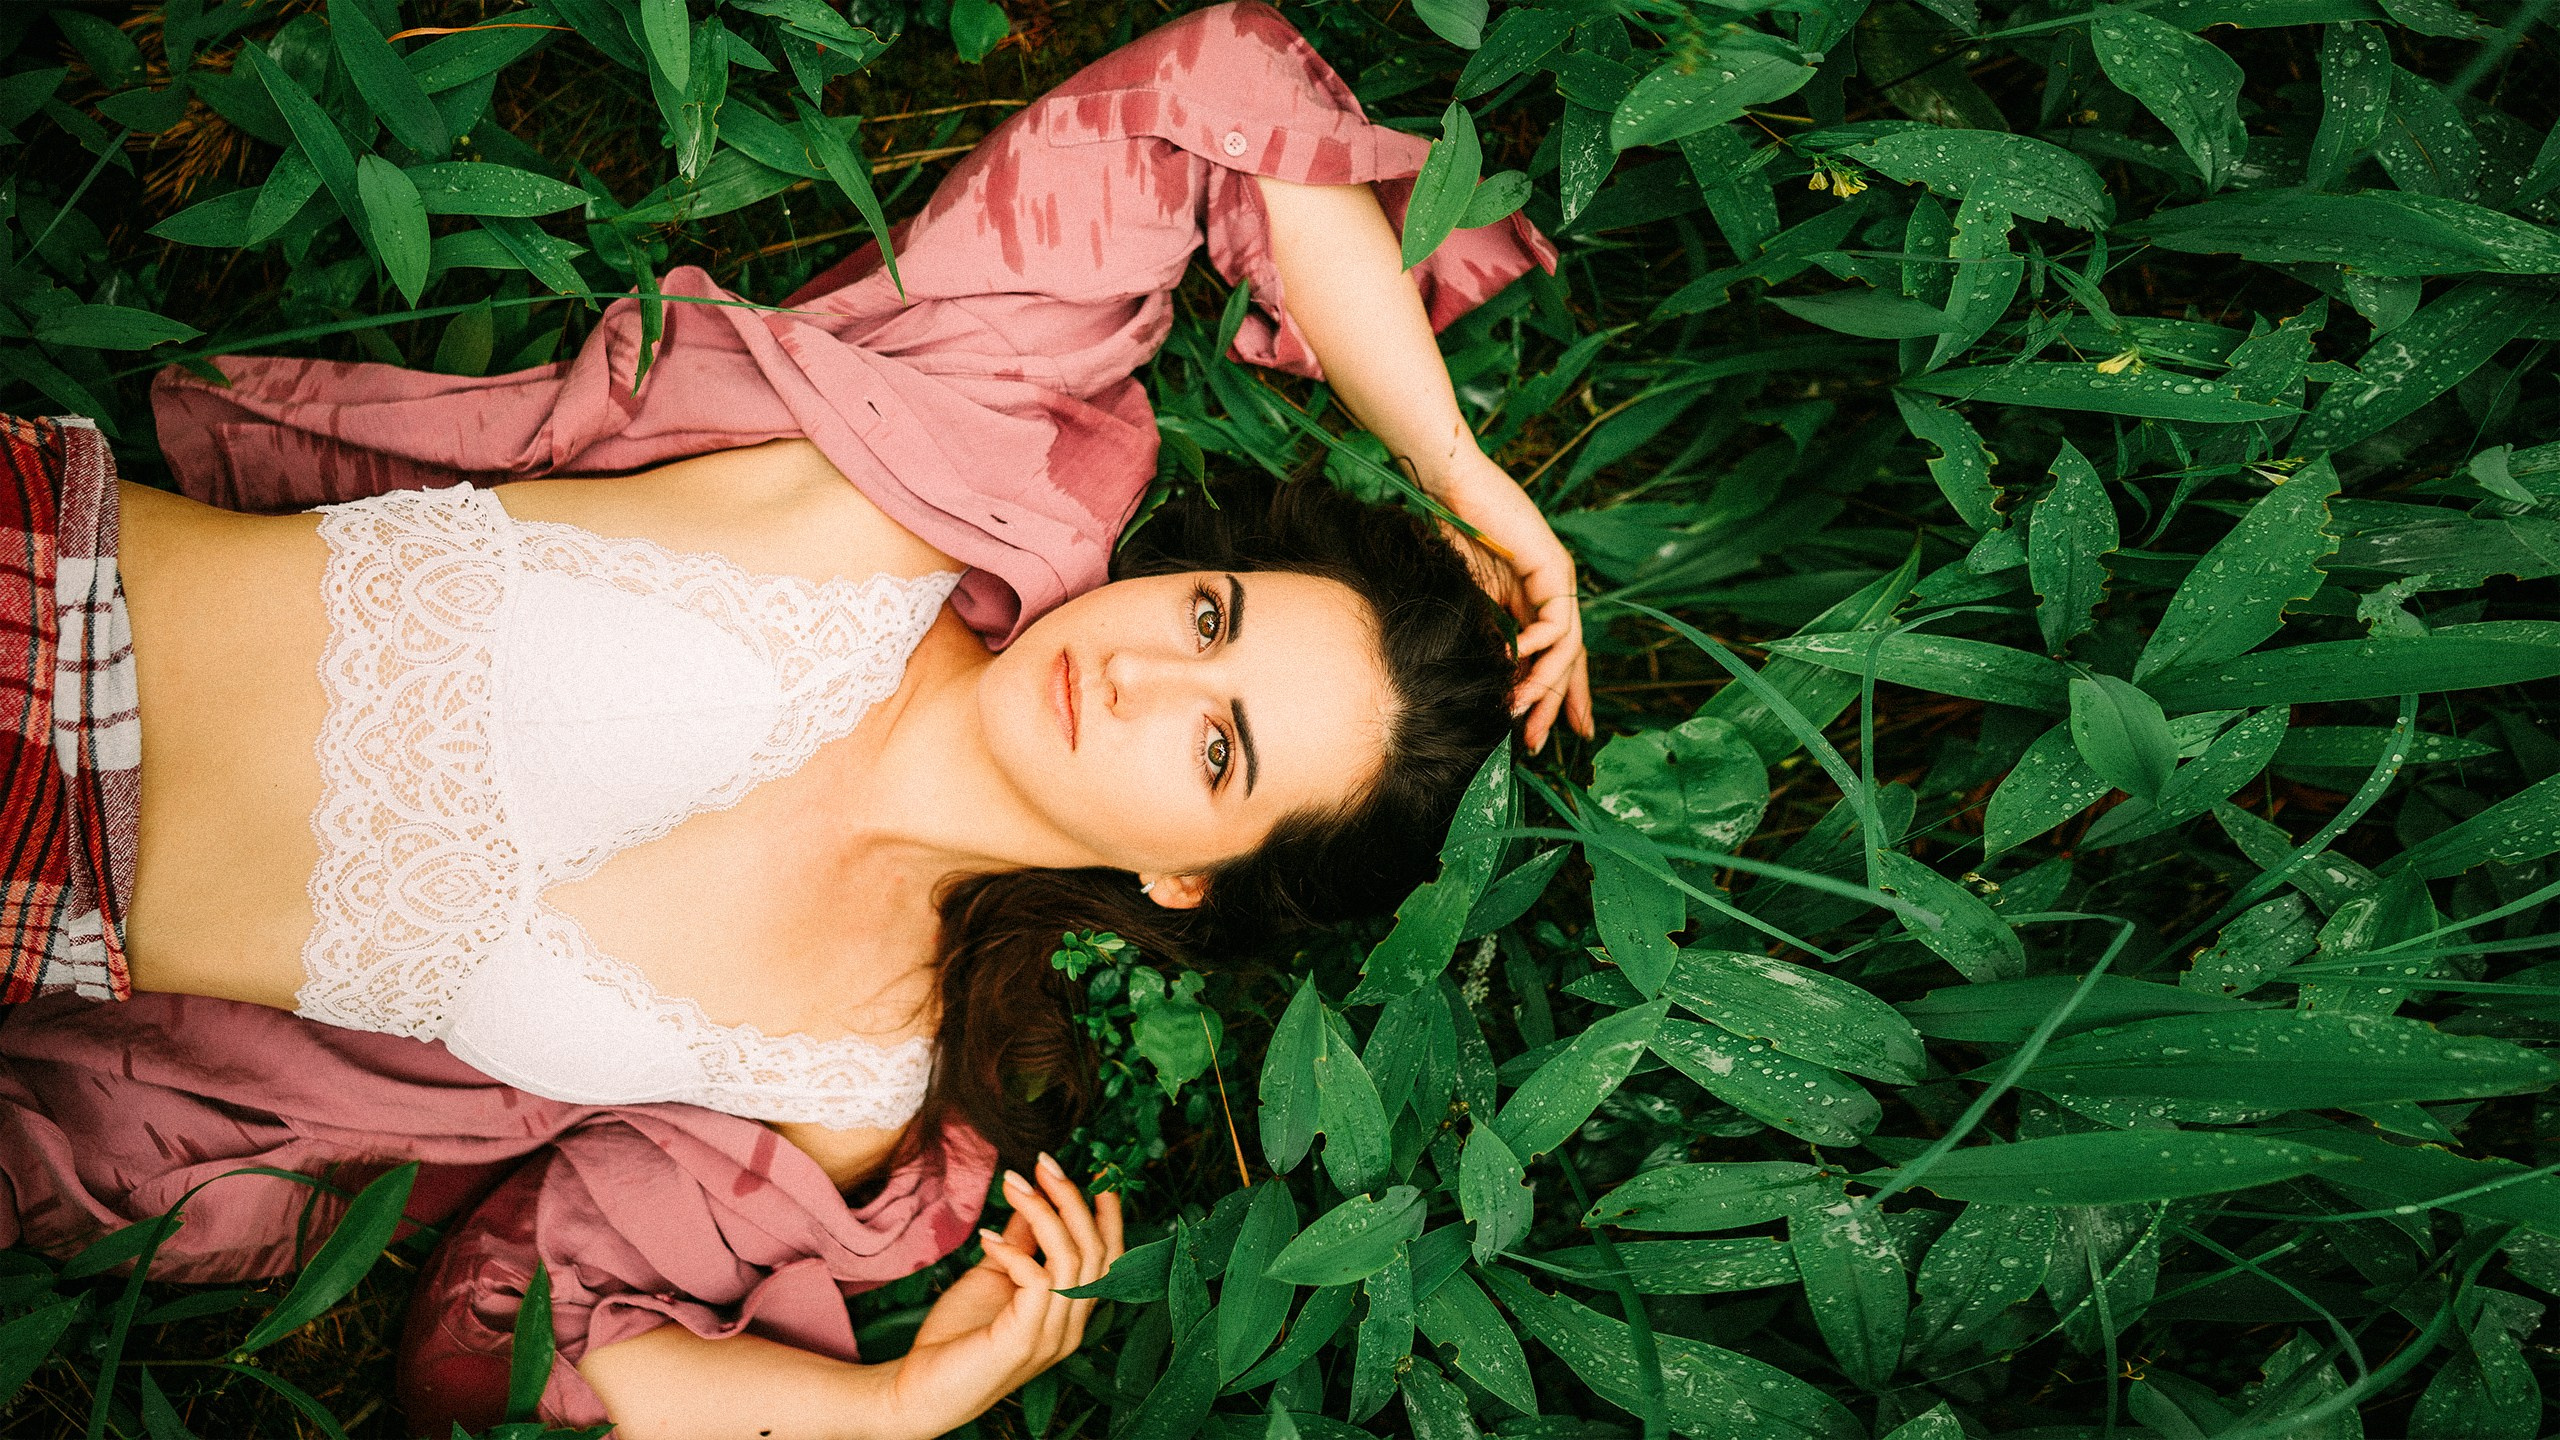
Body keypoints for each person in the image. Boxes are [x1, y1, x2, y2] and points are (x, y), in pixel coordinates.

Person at [0, 4, 1592, 1434]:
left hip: (34, 916)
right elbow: (1201, 102)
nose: (1141, 674)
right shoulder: (960, 459)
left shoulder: (853, 1102)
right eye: (1208, 616)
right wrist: (1459, 470)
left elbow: (513, 1351)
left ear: (1194, 880)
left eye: (1218, 745)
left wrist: (899, 1408)